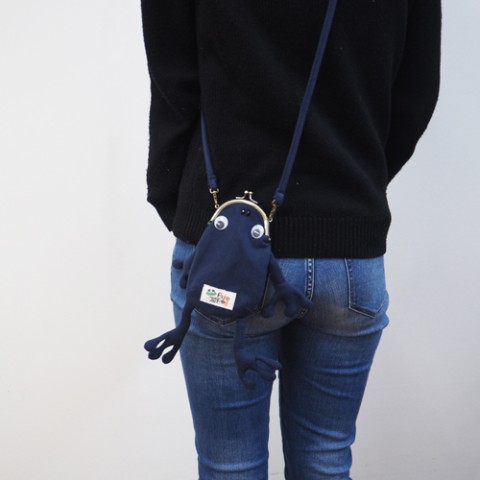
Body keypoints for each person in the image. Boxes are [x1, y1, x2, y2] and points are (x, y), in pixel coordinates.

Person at [140, 1, 441, 478]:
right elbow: (416, 92)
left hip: (223, 250)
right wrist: (354, 191)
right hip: (349, 252)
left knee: (229, 463)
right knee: (325, 457)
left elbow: (171, 79)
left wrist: (182, 203)